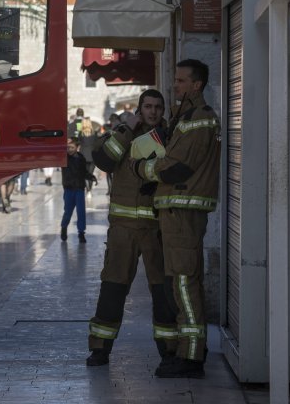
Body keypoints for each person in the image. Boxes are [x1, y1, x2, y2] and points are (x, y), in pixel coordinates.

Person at [131, 60, 220, 379]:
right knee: (178, 283)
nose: (176, 85)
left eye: (181, 80)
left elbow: (177, 165)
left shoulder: (200, 119)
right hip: (175, 212)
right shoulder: (186, 118)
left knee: (183, 282)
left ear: (197, 85)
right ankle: (186, 351)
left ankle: (192, 357)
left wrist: (143, 169)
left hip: (184, 213)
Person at [85, 89, 178, 368]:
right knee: (113, 288)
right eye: (148, 107)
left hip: (156, 229)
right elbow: (103, 161)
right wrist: (127, 132)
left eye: (158, 107)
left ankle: (169, 351)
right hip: (123, 230)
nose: (153, 112)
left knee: (163, 292)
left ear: (163, 111)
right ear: (139, 110)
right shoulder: (124, 134)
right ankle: (100, 349)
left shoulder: (170, 138)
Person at [60, 138, 93, 243]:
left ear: (77, 148)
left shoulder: (81, 158)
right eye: (68, 147)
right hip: (69, 189)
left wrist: (91, 177)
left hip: (79, 188)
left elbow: (84, 172)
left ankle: (81, 233)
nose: (69, 150)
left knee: (81, 212)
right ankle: (64, 227)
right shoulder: (64, 158)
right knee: (68, 212)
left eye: (72, 147)